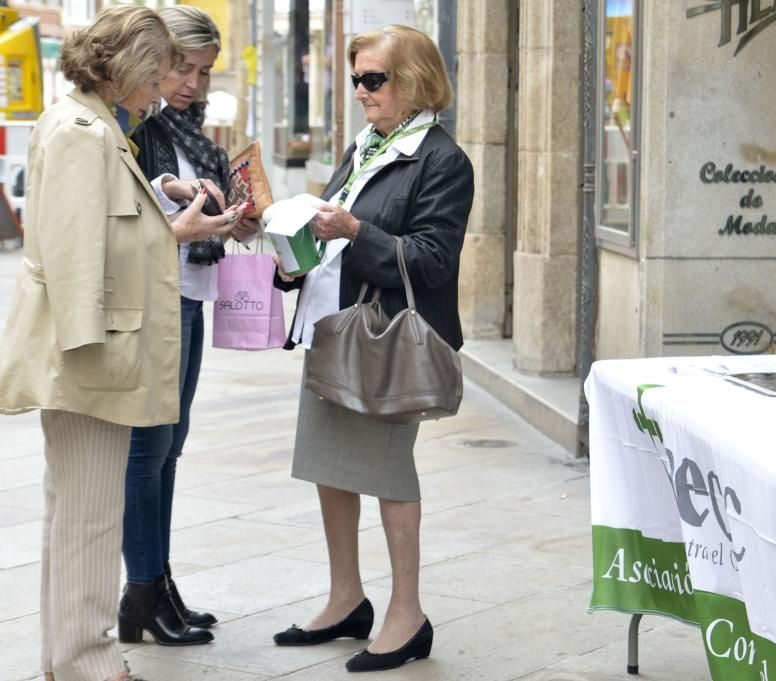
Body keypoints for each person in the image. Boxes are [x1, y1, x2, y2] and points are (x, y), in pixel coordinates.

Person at [0, 6, 241, 681]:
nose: (164, 90)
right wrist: (176, 236)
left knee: (75, 513)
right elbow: (82, 256)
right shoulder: (84, 131)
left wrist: (163, 204)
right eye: (160, 75)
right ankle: (88, 658)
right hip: (91, 354)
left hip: (88, 350)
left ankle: (66, 652)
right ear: (131, 67)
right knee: (91, 516)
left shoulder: (92, 122)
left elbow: (102, 229)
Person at [271, 24, 474, 673]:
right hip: (336, 329)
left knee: (387, 473)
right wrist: (287, 246)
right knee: (330, 464)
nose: (360, 91)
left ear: (415, 81)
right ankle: (345, 598)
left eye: (373, 79)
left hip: (389, 340)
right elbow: (327, 234)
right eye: (356, 78)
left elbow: (434, 261)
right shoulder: (367, 146)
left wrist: (357, 229)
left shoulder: (442, 160)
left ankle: (407, 614)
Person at [117, 4, 254, 647]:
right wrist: (180, 201)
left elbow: (202, 205)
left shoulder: (194, 130)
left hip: (191, 297)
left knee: (169, 453)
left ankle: (158, 584)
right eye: (182, 69)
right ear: (154, 60)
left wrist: (240, 217)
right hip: (154, 301)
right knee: (146, 455)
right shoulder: (135, 125)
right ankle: (141, 592)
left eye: (203, 72)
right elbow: (141, 206)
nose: (193, 85)